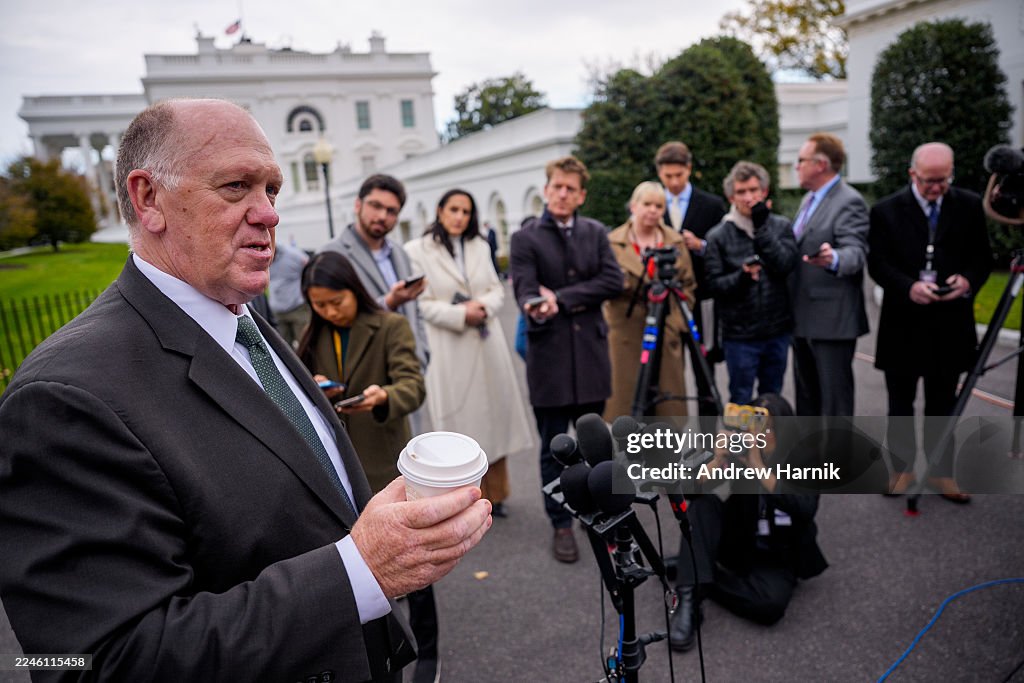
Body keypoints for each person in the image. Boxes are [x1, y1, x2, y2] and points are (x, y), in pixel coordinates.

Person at [0, 99, 491, 682]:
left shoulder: (241, 318)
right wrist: (361, 574)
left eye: (273, 191)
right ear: (147, 198)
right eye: (236, 186)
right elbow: (98, 664)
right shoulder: (63, 399)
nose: (269, 214)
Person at [296, 251, 441, 682]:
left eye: (335, 302)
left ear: (354, 290)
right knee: (362, 565)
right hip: (335, 468)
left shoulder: (390, 326)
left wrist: (383, 398)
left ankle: (428, 651)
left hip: (383, 461)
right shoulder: (313, 333)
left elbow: (413, 387)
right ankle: (377, 649)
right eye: (318, 304)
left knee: (416, 567)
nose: (328, 311)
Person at [509, 156, 622, 563]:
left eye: (571, 188)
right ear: (547, 188)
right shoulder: (525, 238)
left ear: (581, 195)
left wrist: (563, 298)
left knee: (595, 444)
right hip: (549, 359)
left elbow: (614, 280)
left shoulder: (594, 232)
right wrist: (536, 304)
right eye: (557, 186)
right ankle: (560, 524)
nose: (562, 193)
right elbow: (524, 288)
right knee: (553, 447)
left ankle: (600, 517)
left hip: (590, 356)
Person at [868, 142, 993, 501]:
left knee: (943, 403)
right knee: (900, 403)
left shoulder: (968, 205)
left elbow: (982, 257)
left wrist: (967, 280)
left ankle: (942, 474)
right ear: (912, 175)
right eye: (928, 182)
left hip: (950, 323)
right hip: (903, 322)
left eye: (943, 180)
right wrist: (908, 286)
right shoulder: (886, 210)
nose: (936, 188)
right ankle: (902, 471)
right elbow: (877, 263)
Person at [405, 190, 534, 517]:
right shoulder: (417, 251)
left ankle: (498, 495)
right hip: (450, 346)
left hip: (487, 342)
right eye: (454, 209)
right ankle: (460, 501)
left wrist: (482, 308)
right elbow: (420, 304)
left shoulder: (479, 245)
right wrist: (461, 314)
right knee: (461, 422)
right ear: (440, 211)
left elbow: (494, 289)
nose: (460, 216)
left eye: (466, 211)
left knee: (494, 419)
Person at [669, 394, 828, 650]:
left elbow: (805, 509)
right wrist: (716, 461)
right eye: (753, 429)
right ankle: (688, 600)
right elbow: (690, 492)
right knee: (702, 506)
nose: (758, 437)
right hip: (738, 539)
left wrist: (758, 467)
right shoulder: (739, 450)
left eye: (767, 430)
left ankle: (698, 569)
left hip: (778, 553)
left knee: (770, 607)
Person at [319, 174, 430, 434]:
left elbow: (415, 311)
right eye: (376, 206)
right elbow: (330, 318)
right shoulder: (333, 254)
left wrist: (422, 353)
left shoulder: (399, 253)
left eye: (391, 211)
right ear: (358, 205)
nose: (382, 216)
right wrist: (389, 302)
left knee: (411, 456)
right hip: (364, 384)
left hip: (406, 376)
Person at [788, 133, 870, 417]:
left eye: (801, 160)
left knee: (834, 405)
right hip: (803, 317)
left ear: (821, 164)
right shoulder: (810, 199)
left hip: (832, 320)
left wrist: (833, 257)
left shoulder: (848, 201)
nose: (795, 166)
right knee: (808, 402)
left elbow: (856, 251)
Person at [704, 161, 799, 405]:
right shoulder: (718, 235)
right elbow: (713, 285)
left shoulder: (780, 226)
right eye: (741, 192)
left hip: (777, 330)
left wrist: (762, 227)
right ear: (731, 197)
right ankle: (742, 445)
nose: (748, 197)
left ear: (764, 191)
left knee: (772, 398)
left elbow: (785, 265)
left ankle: (769, 444)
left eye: (753, 190)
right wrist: (742, 277)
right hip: (739, 335)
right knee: (741, 399)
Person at [603, 181, 695, 420]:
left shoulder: (674, 242)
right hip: (626, 331)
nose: (653, 210)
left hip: (666, 330)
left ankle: (666, 454)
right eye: (647, 204)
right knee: (626, 406)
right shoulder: (612, 242)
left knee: (668, 410)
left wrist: (676, 324)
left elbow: (688, 286)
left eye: (659, 206)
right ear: (633, 206)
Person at [655, 141, 728, 352]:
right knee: (666, 360)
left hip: (700, 294)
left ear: (689, 168)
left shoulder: (711, 205)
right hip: (663, 298)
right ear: (660, 173)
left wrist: (701, 245)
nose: (675, 181)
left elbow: (725, 247)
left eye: (679, 174)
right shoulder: (652, 205)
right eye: (668, 176)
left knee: (704, 358)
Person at [268, 241, 310, 347]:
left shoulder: (294, 256)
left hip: (298, 308)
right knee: (283, 348)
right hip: (277, 311)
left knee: (305, 345)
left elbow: (311, 272)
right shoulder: (260, 256)